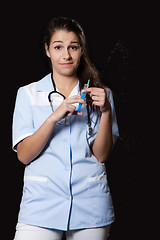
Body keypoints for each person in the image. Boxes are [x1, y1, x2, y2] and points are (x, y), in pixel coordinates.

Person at [12, 16, 119, 240]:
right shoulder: (28, 94)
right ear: (47, 50)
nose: (66, 55)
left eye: (73, 47)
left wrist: (106, 111)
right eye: (58, 47)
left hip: (90, 204)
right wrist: (53, 117)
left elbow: (102, 155)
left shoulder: (101, 95)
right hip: (41, 205)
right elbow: (23, 155)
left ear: (81, 50)